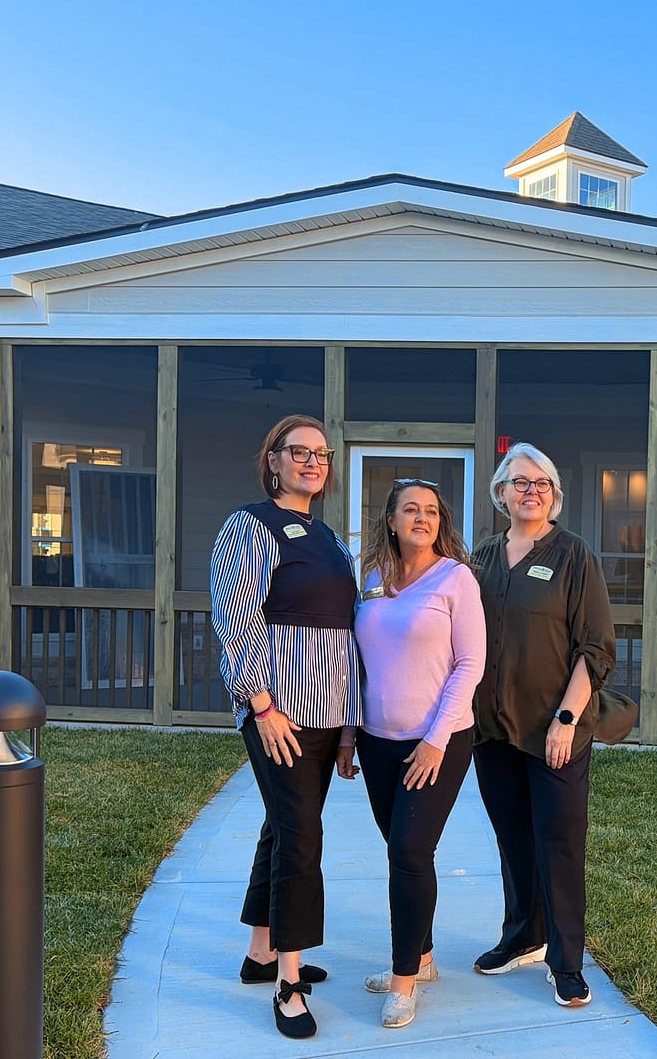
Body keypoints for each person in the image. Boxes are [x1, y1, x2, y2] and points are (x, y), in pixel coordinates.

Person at [209, 413, 362, 1041]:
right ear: (272, 459)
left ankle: (260, 953)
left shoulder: (330, 538)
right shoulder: (249, 525)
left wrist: (349, 726)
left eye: (322, 454)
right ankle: (289, 983)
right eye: (299, 451)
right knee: (301, 835)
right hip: (280, 711)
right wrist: (262, 704)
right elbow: (235, 613)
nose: (312, 462)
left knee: (283, 825)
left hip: (328, 714)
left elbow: (349, 633)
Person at [469, 442, 616, 1009]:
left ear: (554, 494)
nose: (531, 491)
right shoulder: (482, 556)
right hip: (492, 729)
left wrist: (566, 718)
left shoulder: (574, 555)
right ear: (501, 493)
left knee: (559, 843)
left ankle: (566, 961)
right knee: (512, 838)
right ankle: (522, 936)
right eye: (520, 482)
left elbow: (595, 648)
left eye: (542, 483)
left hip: (555, 730)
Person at [353, 478, 485, 1029]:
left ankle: (403, 980)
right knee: (404, 851)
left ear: (441, 522)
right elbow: (355, 661)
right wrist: (349, 733)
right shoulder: (373, 579)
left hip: (439, 741)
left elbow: (470, 664)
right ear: (391, 520)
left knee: (409, 849)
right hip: (376, 740)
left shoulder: (457, 579)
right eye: (411, 509)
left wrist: (435, 740)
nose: (422, 518)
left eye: (431, 510)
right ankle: (422, 957)